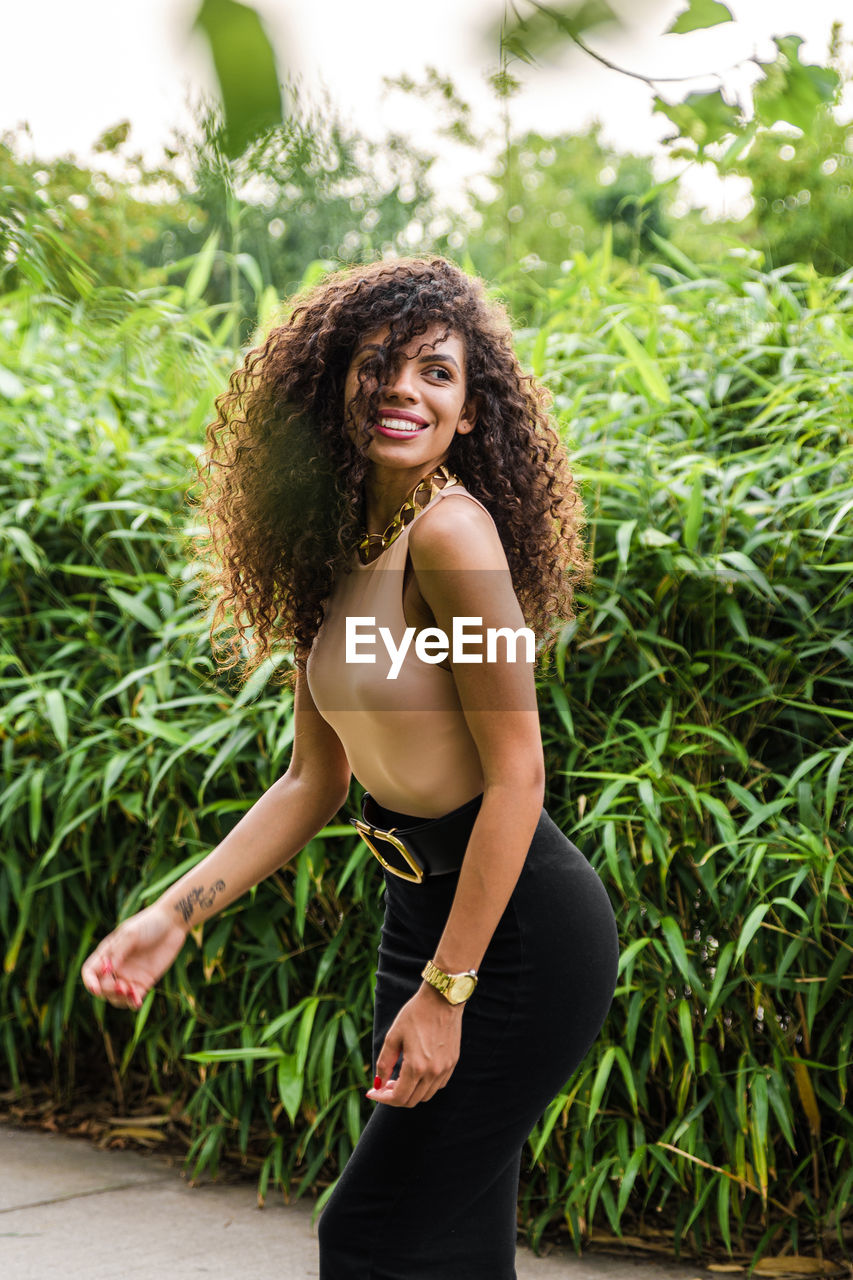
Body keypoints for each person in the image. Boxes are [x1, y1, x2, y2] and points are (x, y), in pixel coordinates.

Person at [82, 256, 619, 1279]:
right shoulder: (337, 546)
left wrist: (449, 989)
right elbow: (310, 784)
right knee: (446, 1244)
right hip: (421, 914)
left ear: (469, 412)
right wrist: (171, 915)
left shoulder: (454, 538)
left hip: (514, 934)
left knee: (371, 1234)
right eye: (379, 363)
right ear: (338, 382)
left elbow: (518, 775)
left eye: (437, 372)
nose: (403, 389)